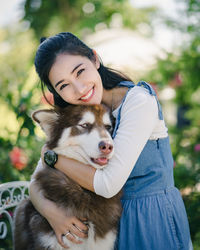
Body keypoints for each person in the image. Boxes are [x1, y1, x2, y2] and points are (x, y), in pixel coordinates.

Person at [30, 32, 193, 250]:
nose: (79, 89)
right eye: (64, 85)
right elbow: (35, 183)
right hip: (108, 223)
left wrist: (53, 157)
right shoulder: (77, 116)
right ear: (56, 92)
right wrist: (52, 214)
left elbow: (107, 185)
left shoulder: (138, 102)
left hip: (151, 219)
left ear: (95, 59)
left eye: (80, 72)